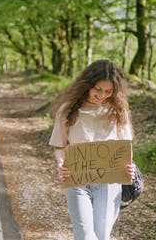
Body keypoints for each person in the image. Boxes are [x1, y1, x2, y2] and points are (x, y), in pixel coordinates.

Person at [49, 59, 135, 240]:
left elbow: (125, 146)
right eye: (98, 89)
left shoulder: (119, 111)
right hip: (77, 180)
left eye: (108, 91)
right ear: (87, 85)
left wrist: (129, 166)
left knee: (102, 236)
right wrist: (60, 164)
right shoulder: (67, 111)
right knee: (85, 236)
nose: (102, 95)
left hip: (109, 182)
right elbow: (59, 145)